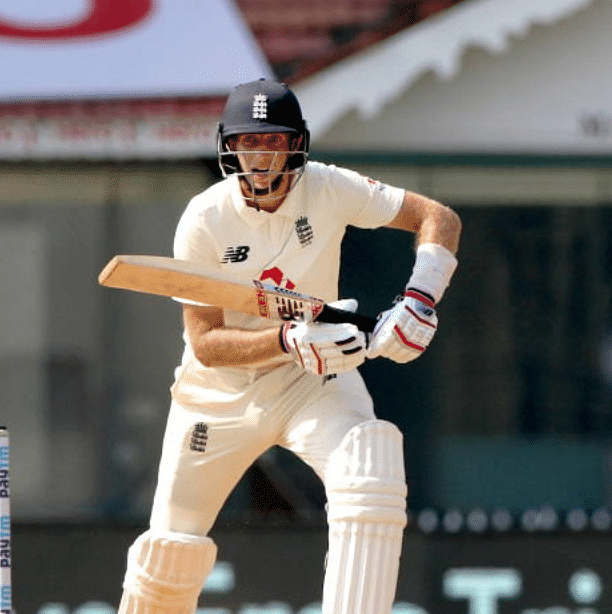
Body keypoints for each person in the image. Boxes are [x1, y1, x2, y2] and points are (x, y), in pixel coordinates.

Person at [117, 78, 461, 614]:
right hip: (218, 395)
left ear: (296, 144)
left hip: (314, 380)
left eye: (273, 142)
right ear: (229, 147)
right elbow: (206, 344)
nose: (261, 157)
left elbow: (436, 216)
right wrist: (286, 339)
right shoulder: (204, 219)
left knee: (370, 468)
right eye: (249, 143)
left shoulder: (327, 187)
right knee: (170, 553)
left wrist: (419, 300)